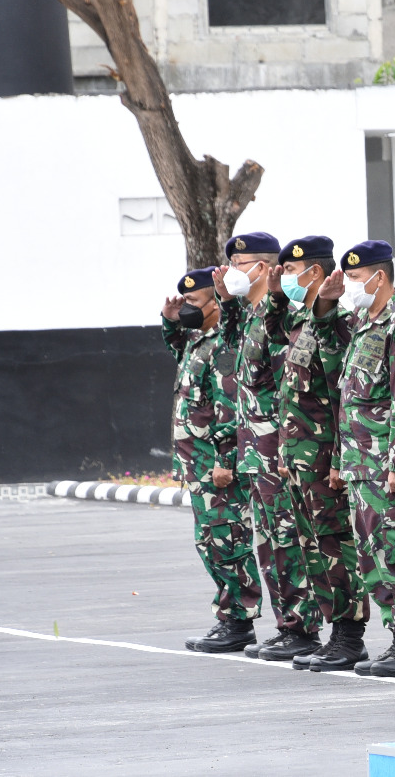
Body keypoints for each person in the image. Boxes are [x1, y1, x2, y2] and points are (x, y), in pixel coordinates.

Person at [317, 240, 395, 678]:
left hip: (387, 464)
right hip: (360, 463)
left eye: (352, 278)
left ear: (378, 277)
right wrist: (326, 304)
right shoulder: (362, 324)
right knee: (373, 555)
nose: (348, 285)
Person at [262, 236, 371, 670]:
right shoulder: (302, 321)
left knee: (336, 544)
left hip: (326, 459)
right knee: (312, 546)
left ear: (317, 273)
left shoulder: (338, 322)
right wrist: (273, 296)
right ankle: (333, 631)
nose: (285, 277)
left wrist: (343, 459)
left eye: (292, 271)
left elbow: (346, 395)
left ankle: (349, 635)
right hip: (300, 457)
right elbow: (270, 341)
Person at [212, 232, 319, 661]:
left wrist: (286, 450)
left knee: (288, 540)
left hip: (277, 448)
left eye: (240, 265)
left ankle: (302, 626)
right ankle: (288, 625)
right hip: (254, 450)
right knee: (270, 542)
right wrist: (226, 302)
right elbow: (230, 357)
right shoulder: (252, 315)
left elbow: (286, 390)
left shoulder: (282, 317)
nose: (232, 273)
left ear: (262, 268)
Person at [161, 268, 262, 652]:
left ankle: (239, 621)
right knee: (210, 543)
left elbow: (227, 407)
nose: (186, 307)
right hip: (197, 466)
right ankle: (230, 615)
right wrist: (171, 322)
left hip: (215, 464)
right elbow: (177, 350)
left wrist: (225, 459)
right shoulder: (199, 340)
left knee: (227, 541)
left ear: (214, 305)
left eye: (193, 302)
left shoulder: (224, 345)